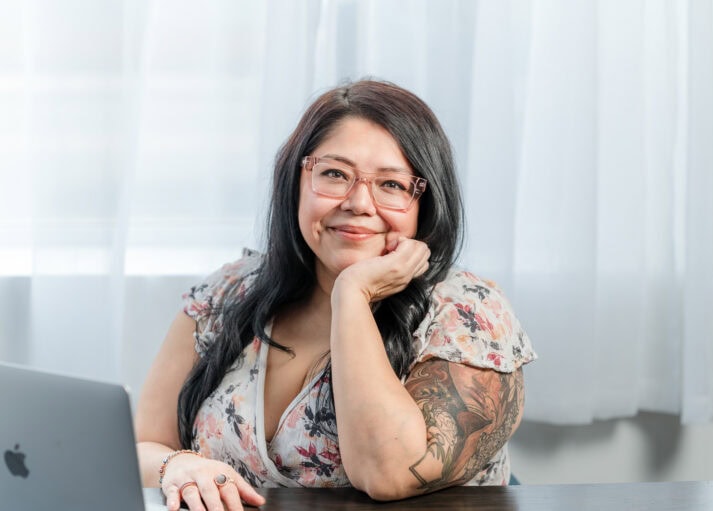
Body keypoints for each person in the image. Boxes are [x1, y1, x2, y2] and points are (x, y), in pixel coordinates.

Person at [135, 79, 537, 511]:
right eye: (334, 174)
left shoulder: (470, 315)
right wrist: (174, 465)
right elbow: (143, 445)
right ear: (297, 183)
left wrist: (352, 293)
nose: (359, 202)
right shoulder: (228, 291)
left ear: (427, 203)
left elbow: (388, 473)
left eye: (392, 185)